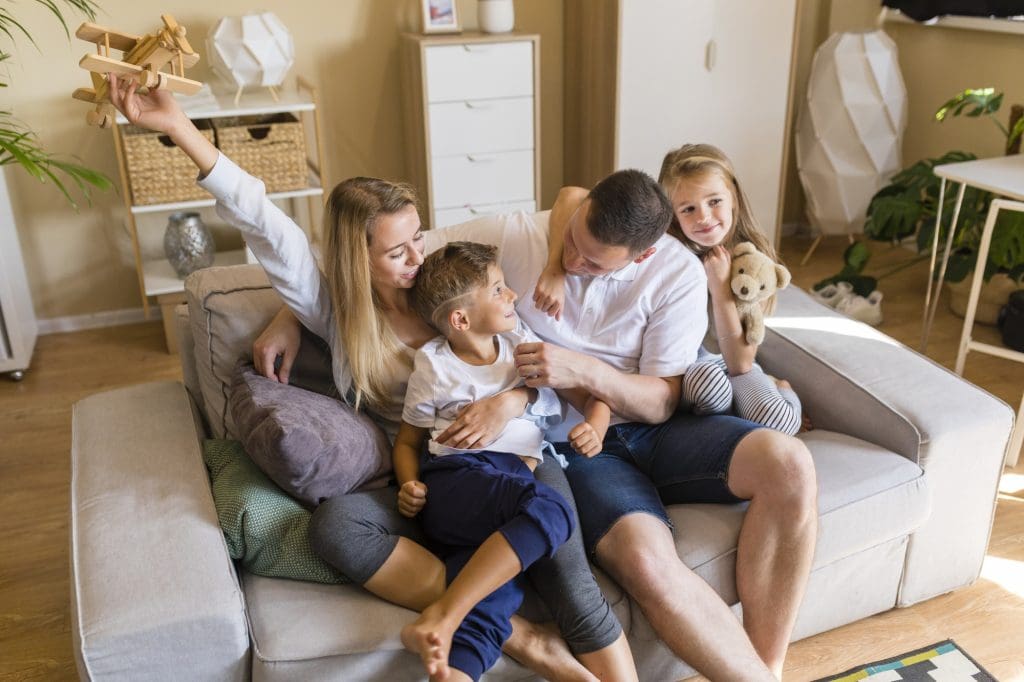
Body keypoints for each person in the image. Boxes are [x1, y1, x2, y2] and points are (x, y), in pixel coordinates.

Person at [104, 74, 634, 682]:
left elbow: (557, 210)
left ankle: (508, 624)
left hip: (521, 461)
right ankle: (518, 637)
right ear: (357, 259)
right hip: (434, 475)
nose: (419, 259)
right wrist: (179, 129)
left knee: (569, 573)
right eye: (398, 252)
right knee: (337, 525)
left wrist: (517, 388)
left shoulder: (447, 276)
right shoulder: (334, 309)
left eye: (417, 238)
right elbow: (263, 223)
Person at [295, 164, 817, 679]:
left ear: (644, 255)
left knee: (790, 463)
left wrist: (580, 373)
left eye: (591, 263)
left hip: (650, 426)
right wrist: (297, 315)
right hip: (571, 451)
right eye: (571, 240)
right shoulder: (522, 239)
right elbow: (402, 256)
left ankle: (768, 669)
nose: (572, 259)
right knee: (639, 557)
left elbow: (659, 405)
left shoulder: (677, 273)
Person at [395, 241, 618, 680]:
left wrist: (596, 421)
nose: (512, 294)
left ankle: (454, 666)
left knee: (492, 605)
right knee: (553, 510)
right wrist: (408, 484)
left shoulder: (520, 343)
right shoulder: (435, 366)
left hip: (510, 489)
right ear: (460, 320)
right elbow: (407, 442)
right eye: (498, 290)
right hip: (458, 480)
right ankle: (442, 614)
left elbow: (581, 392)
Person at [535, 143, 803, 436]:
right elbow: (571, 195)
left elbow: (740, 363)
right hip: (691, 370)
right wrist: (554, 269)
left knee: (776, 421)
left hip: (731, 363)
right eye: (688, 209)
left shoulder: (749, 261)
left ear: (734, 198)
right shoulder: (659, 248)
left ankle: (784, 391)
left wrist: (720, 287)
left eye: (714, 201)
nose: (703, 217)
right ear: (672, 215)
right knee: (704, 387)